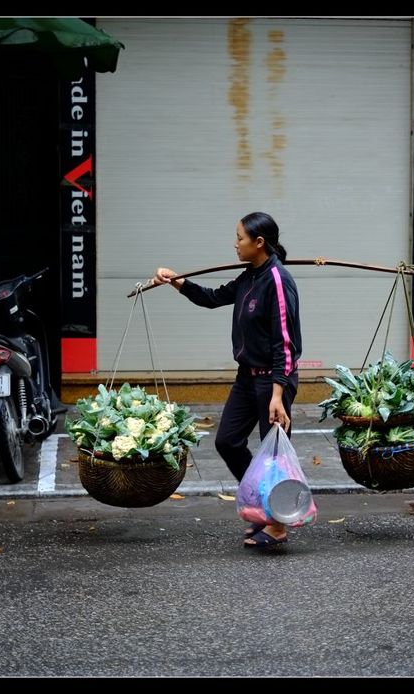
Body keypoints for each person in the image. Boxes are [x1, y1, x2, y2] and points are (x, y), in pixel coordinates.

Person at [154, 211, 302, 549]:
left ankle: (278, 525)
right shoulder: (249, 276)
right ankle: (264, 506)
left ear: (259, 242)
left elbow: (285, 342)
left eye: (240, 237)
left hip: (273, 382)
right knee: (228, 442)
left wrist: (278, 395)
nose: (235, 243)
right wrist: (176, 281)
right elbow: (212, 297)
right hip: (247, 378)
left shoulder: (278, 281)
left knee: (274, 457)